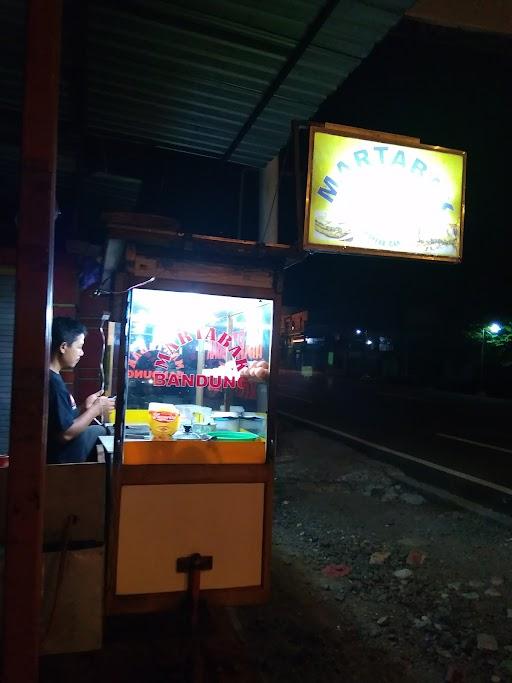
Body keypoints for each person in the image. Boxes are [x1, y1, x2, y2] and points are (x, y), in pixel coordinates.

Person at [47, 317, 115, 464]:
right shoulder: (53, 384)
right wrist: (95, 410)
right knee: (102, 433)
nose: (82, 353)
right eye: (79, 347)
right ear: (63, 347)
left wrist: (84, 408)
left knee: (100, 431)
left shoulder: (54, 378)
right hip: (60, 463)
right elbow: (65, 434)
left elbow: (62, 420)